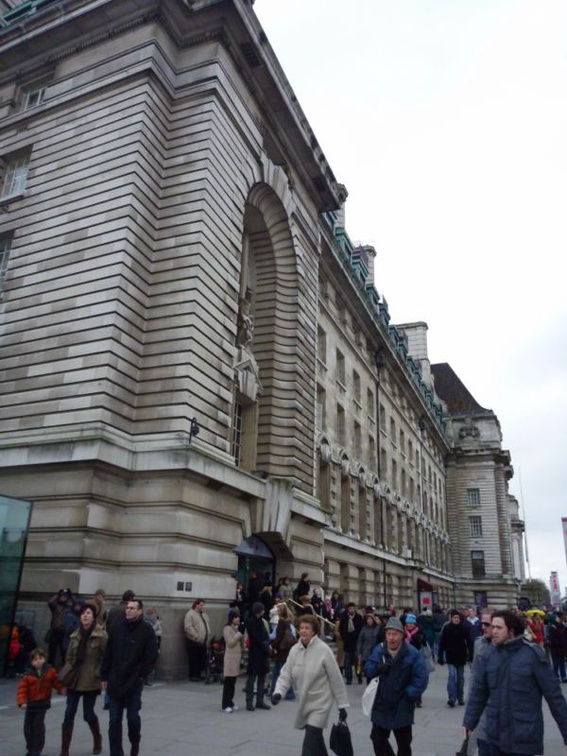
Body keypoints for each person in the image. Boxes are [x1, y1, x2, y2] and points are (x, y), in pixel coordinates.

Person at [463, 610, 567, 756]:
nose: (494, 631)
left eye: (499, 628)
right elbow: (478, 692)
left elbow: (554, 696)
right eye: (492, 627)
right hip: (495, 734)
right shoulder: (488, 655)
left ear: (511, 631)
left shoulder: (533, 655)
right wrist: (469, 722)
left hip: (523, 736)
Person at [272, 614, 349, 756]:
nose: (303, 631)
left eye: (307, 628)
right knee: (316, 741)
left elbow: (336, 678)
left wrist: (342, 705)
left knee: (310, 740)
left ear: (314, 631)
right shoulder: (295, 650)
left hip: (321, 703)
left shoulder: (324, 650)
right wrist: (279, 692)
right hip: (305, 702)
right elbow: (286, 674)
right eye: (301, 628)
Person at [364, 616, 429, 756]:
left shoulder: (411, 653)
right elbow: (368, 668)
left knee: (404, 744)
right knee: (377, 739)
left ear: (401, 635)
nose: (391, 638)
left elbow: (421, 677)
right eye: (388, 634)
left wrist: (409, 694)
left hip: (402, 704)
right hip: (381, 703)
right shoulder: (379, 650)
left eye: (395, 634)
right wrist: (377, 668)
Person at [100, 598, 158, 756]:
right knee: (114, 721)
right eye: (127, 608)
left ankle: (135, 742)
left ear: (140, 611)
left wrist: (141, 674)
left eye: (132, 608)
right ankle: (116, 752)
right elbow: (108, 654)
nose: (128, 610)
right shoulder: (117, 628)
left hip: (133, 682)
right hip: (115, 681)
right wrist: (104, 676)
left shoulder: (147, 631)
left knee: (133, 719)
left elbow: (151, 656)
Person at [60, 603, 107, 756]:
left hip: (90, 680)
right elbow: (69, 658)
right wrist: (65, 679)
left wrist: (100, 675)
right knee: (69, 713)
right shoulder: (75, 635)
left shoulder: (101, 635)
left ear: (93, 616)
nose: (84, 616)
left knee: (88, 714)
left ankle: (97, 738)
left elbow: (106, 658)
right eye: (82, 614)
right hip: (74, 679)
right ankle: (64, 750)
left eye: (87, 613)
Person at [17, 648, 65, 756]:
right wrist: (22, 702)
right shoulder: (27, 675)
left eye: (40, 658)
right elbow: (22, 690)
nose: (38, 661)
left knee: (38, 726)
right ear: (31, 662)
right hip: (31, 704)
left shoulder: (50, 671)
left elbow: (55, 682)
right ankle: (30, 747)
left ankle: (37, 748)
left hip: (42, 703)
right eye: (35, 659)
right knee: (28, 727)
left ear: (44, 659)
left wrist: (61, 689)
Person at [469, 610, 494, 756]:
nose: (483, 627)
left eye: (487, 624)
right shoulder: (479, 643)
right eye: (481, 623)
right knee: (483, 744)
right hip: (482, 703)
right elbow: (474, 673)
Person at [437, 609, 473, 707]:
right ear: (451, 618)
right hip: (450, 656)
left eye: (457, 617)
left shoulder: (464, 628)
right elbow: (442, 643)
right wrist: (440, 656)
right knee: (452, 676)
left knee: (460, 678)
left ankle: (460, 697)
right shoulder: (447, 628)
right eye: (454, 618)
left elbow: (469, 642)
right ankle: (452, 698)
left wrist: (471, 655)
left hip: (461, 656)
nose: (456, 619)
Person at [245, 602, 271, 711]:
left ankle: (260, 700)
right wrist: (263, 642)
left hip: (262, 653)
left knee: (262, 676)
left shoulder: (261, 621)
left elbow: (265, 634)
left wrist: (266, 642)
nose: (264, 612)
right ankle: (249, 701)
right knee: (252, 678)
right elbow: (254, 637)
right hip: (255, 653)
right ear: (258, 611)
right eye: (262, 610)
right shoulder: (250, 621)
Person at [270, 602, 297, 700]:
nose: (276, 611)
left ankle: (290, 694)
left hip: (281, 651)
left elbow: (279, 637)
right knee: (276, 672)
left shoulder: (282, 622)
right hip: (285, 650)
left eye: (278, 609)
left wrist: (272, 645)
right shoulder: (288, 622)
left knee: (282, 673)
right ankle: (273, 691)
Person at [222, 610, 245, 712]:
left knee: (233, 682)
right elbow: (230, 642)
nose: (238, 619)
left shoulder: (236, 629)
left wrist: (242, 633)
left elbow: (242, 644)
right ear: (231, 618)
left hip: (237, 658)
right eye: (236, 617)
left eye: (238, 617)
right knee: (228, 682)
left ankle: (230, 702)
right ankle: (225, 704)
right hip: (230, 659)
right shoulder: (227, 629)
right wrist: (239, 633)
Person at [183, 598, 211, 681]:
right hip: (193, 641)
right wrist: (195, 636)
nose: (202, 607)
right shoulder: (190, 614)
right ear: (196, 605)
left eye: (203, 605)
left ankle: (198, 674)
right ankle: (192, 675)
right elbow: (188, 627)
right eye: (201, 605)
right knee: (193, 659)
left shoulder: (203, 614)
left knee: (201, 659)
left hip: (203, 641)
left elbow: (207, 624)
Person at [403, 613, 427, 707]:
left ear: (414, 623)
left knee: (416, 679)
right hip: (405, 657)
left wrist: (416, 637)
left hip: (417, 657)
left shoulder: (419, 630)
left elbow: (424, 642)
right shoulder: (403, 631)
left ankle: (418, 698)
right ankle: (409, 697)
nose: (409, 625)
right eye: (408, 623)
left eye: (411, 623)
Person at [47, 589, 75, 667]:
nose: (63, 597)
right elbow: (50, 602)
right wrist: (57, 594)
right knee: (52, 650)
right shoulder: (55, 605)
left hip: (64, 632)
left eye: (65, 596)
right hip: (55, 630)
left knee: (64, 651)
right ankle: (50, 666)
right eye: (62, 595)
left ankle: (64, 667)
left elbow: (76, 604)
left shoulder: (69, 607)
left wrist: (70, 595)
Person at [339, 601, 363, 684]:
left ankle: (359, 676)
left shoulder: (359, 617)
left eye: (353, 608)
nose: (351, 610)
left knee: (357, 662)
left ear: (355, 609)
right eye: (350, 609)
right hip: (348, 643)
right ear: (348, 609)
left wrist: (358, 637)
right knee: (347, 662)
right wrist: (344, 637)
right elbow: (341, 629)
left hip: (356, 642)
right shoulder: (344, 618)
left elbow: (361, 629)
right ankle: (349, 678)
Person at [357, 614, 383, 684]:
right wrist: (359, 651)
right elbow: (360, 640)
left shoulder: (377, 628)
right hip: (366, 652)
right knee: (368, 671)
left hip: (375, 651)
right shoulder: (364, 629)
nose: (369, 621)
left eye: (371, 619)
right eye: (368, 619)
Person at [548, 612, 567, 683]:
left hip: (562, 647)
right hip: (556, 648)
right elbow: (552, 638)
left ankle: (564, 676)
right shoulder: (552, 627)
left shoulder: (562, 626)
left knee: (562, 663)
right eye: (556, 618)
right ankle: (556, 677)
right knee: (556, 663)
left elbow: (565, 634)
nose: (558, 619)